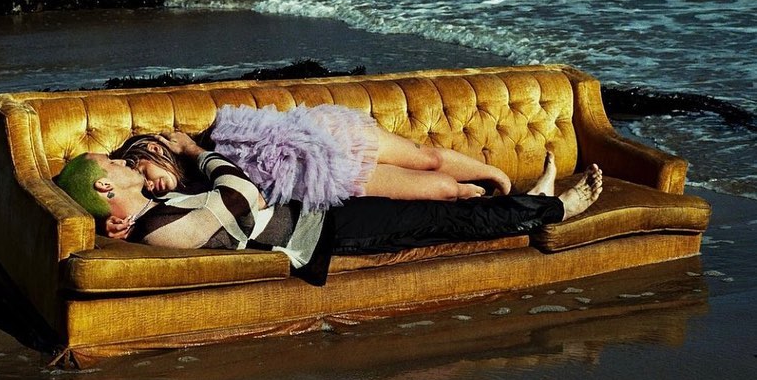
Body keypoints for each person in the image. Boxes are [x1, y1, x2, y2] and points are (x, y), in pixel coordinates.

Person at [55, 132, 603, 285]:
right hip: (324, 234)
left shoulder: (156, 201)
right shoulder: (158, 229)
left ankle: (532, 198)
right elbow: (243, 198)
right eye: (113, 163)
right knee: (444, 220)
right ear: (104, 185)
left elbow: (225, 189)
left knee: (427, 190)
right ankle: (555, 210)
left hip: (317, 201)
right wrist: (200, 154)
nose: (123, 160)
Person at [109, 103, 513, 213]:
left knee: (427, 159)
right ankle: (478, 194)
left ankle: (495, 174)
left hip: (328, 136)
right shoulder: (184, 196)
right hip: (329, 180)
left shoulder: (217, 135)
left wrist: (193, 150)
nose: (148, 183)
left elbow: (277, 134)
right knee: (443, 189)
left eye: (142, 168)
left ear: (156, 148)